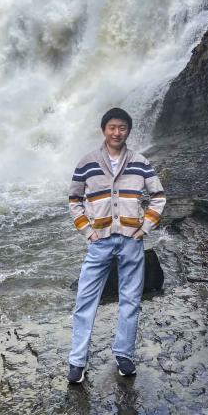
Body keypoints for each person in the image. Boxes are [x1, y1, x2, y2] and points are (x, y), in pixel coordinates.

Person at [67, 107, 166, 384]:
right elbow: (74, 199)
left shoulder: (140, 162)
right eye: (112, 127)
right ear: (104, 130)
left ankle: (124, 355)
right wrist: (86, 230)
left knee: (131, 300)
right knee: (85, 299)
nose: (116, 132)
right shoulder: (87, 163)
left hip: (131, 241)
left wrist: (145, 227)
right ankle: (77, 360)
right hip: (99, 242)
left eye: (122, 127)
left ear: (128, 131)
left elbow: (158, 196)